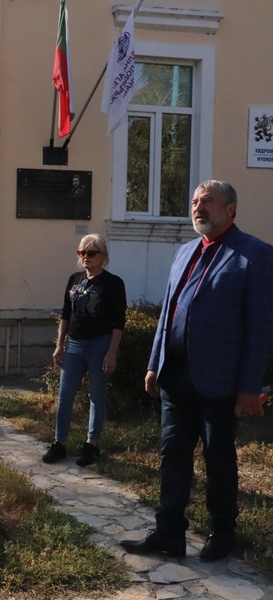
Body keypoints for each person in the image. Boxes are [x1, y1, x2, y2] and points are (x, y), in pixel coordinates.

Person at [121, 180, 273, 562]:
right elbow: (168, 313)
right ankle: (169, 532)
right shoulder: (185, 252)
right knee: (172, 455)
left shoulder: (255, 254)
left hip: (219, 379)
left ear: (231, 209)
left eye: (208, 201)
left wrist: (249, 387)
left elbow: (260, 327)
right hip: (175, 376)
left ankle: (223, 534)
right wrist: (154, 364)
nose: (198, 207)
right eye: (194, 201)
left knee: (218, 458)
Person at [42, 234, 126, 467]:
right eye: (82, 252)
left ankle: (92, 445)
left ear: (103, 256)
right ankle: (59, 443)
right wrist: (60, 345)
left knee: (96, 396)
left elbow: (119, 322)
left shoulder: (113, 283)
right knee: (65, 395)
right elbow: (66, 314)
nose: (86, 257)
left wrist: (112, 352)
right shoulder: (74, 279)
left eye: (91, 253)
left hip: (100, 344)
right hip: (75, 345)